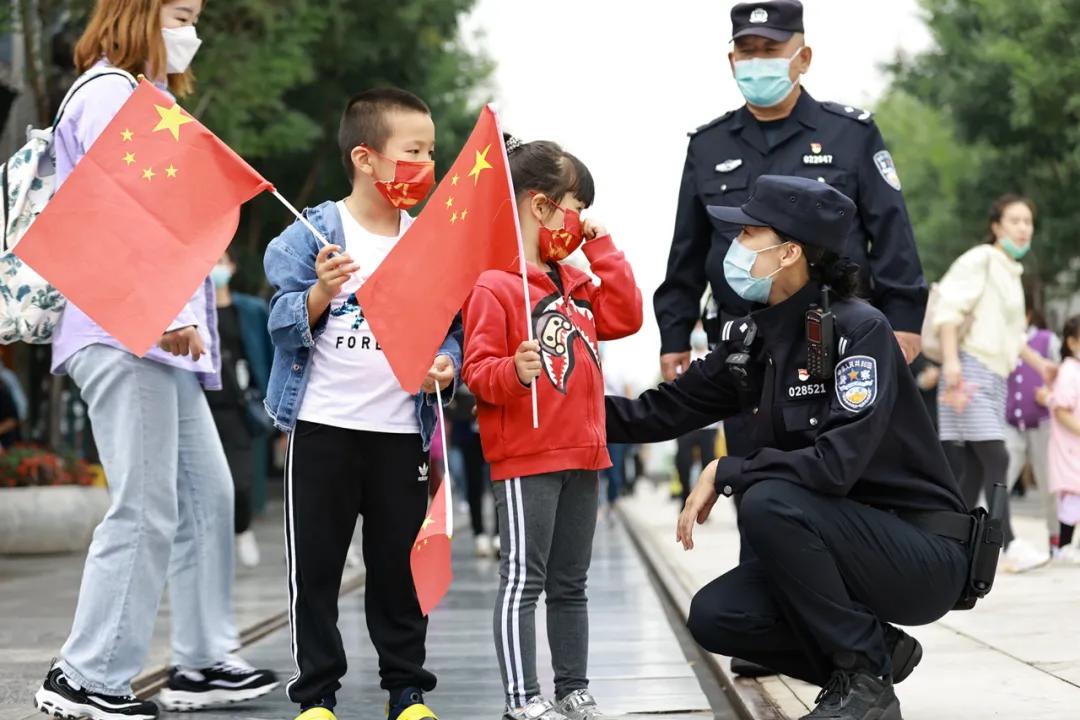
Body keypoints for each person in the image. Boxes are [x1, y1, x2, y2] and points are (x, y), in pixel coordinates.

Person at [607, 176, 971, 720]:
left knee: (767, 499)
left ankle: (866, 685)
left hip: (918, 551)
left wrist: (729, 469)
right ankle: (874, 655)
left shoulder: (858, 331)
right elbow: (657, 412)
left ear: (790, 251)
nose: (734, 245)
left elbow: (834, 466)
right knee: (716, 616)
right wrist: (544, 398)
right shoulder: (748, 339)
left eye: (750, 231)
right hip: (840, 544)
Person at [33, 3, 279, 718]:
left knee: (206, 498)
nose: (190, 30)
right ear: (139, 11)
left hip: (156, 334)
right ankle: (86, 675)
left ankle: (202, 662)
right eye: (180, 13)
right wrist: (170, 313)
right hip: (125, 326)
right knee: (144, 506)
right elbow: (122, 209)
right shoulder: (110, 93)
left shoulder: (146, 96)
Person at [654, 0, 928, 474]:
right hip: (747, 349)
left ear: (803, 57)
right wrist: (674, 335)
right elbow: (688, 251)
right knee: (753, 483)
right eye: (748, 50)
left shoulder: (851, 134)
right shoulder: (707, 146)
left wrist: (904, 319)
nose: (758, 60)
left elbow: (891, 233)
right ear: (732, 61)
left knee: (845, 478)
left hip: (839, 342)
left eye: (771, 48)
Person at [263, 87, 459, 720]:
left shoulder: (428, 241)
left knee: (398, 571)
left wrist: (446, 361)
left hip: (400, 431)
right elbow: (280, 319)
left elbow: (448, 325)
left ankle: (406, 691)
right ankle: (316, 695)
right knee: (315, 570)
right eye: (413, 151)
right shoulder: (315, 230)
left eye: (431, 152)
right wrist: (321, 293)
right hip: (323, 429)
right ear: (366, 158)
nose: (426, 165)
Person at [462, 136, 642, 720]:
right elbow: (477, 371)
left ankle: (573, 687)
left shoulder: (576, 282)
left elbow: (627, 315)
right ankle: (522, 697)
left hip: (584, 456)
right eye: (576, 208)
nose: (580, 220)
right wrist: (514, 371)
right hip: (527, 457)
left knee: (572, 581)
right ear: (539, 206)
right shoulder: (496, 285)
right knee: (524, 580)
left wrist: (602, 246)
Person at [931, 194, 1057, 573]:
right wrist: (952, 363)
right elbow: (948, 313)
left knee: (971, 465)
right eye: (1014, 220)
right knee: (996, 456)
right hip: (969, 371)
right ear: (996, 225)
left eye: (1028, 222)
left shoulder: (1009, 271)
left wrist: (1041, 365)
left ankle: (955, 545)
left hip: (992, 374)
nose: (1022, 228)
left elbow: (1011, 336)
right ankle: (1007, 542)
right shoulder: (980, 260)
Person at [208, 249, 274, 568]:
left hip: (239, 407)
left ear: (232, 267)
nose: (215, 269)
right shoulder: (193, 311)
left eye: (220, 261)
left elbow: (269, 354)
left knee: (240, 481)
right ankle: (213, 546)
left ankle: (242, 528)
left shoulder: (250, 310)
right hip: (204, 406)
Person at [1004, 307, 1060, 550]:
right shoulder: (1002, 339)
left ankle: (1056, 538)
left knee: (1048, 480)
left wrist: (1050, 393)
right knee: (1001, 478)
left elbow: (1063, 373)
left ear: (1027, 314)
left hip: (1043, 421)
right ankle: (994, 538)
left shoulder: (1047, 339)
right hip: (1009, 421)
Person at [1045, 315, 1080, 563]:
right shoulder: (1069, 371)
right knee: (1072, 498)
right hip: (1070, 448)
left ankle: (1067, 546)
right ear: (1072, 342)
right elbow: (1061, 410)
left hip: (1075, 447)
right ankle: (1064, 546)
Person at [674, 324, 719, 507]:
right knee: (683, 462)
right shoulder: (683, 358)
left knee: (708, 464)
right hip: (687, 422)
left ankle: (703, 504)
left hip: (710, 424)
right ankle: (685, 495)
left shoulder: (715, 355)